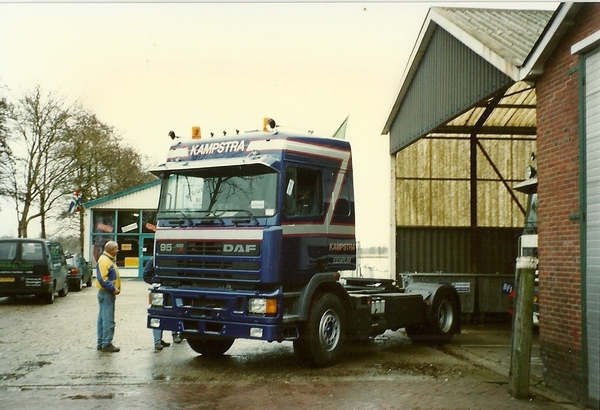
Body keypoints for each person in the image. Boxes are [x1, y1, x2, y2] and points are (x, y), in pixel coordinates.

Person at [143, 257, 182, 351]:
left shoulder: (154, 260)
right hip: (172, 289)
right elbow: (146, 276)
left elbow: (146, 276)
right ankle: (172, 336)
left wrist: (156, 282)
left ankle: (158, 341)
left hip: (164, 290)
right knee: (175, 312)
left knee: (158, 313)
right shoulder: (155, 260)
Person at [96, 241, 121, 353]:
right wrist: (113, 288)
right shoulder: (105, 260)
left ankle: (101, 342)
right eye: (116, 248)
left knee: (102, 318)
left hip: (105, 293)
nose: (118, 250)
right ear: (111, 250)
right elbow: (103, 279)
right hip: (107, 293)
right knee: (108, 319)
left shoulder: (107, 259)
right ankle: (106, 343)